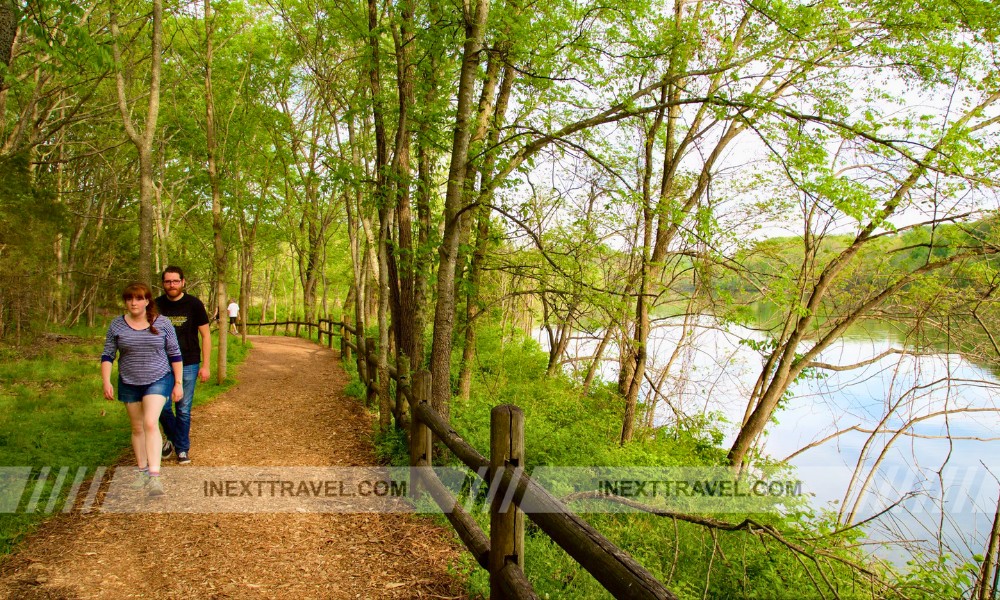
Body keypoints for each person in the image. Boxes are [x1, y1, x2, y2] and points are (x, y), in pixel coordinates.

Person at [101, 282, 183, 496]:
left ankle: (155, 477)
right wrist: (106, 381)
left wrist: (178, 383)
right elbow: (108, 354)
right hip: (129, 381)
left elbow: (175, 355)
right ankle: (142, 472)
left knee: (150, 422)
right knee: (137, 428)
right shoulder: (117, 325)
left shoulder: (163, 323)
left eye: (138, 298)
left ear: (147, 301)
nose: (134, 303)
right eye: (129, 299)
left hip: (158, 378)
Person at [155, 266, 211, 465]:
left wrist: (206, 365)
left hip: (189, 362)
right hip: (161, 364)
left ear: (183, 282)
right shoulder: (156, 305)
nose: (172, 285)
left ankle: (182, 449)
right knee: (161, 406)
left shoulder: (194, 304)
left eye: (175, 281)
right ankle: (175, 439)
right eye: (168, 281)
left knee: (184, 408)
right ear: (163, 284)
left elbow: (205, 335)